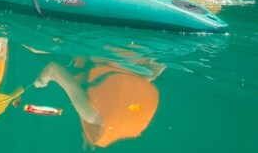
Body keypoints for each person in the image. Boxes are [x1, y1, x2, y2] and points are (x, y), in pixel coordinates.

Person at [33, 56, 163, 146]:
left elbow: (152, 73)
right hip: (106, 45)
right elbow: (53, 68)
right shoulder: (92, 117)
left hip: (141, 53)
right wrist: (42, 80)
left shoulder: (138, 125)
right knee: (36, 49)